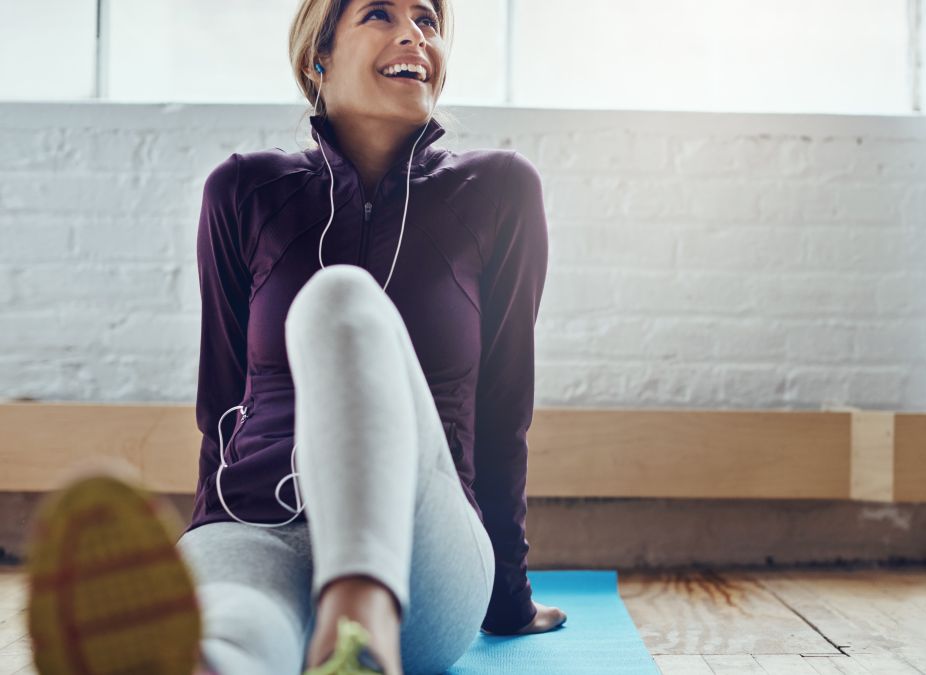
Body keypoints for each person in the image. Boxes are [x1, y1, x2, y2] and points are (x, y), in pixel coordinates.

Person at [24, 0, 564, 673]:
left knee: (339, 301)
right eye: (379, 14)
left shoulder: (498, 191)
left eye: (427, 20)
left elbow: (502, 408)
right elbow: (222, 406)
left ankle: (360, 613)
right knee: (235, 625)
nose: (413, 35)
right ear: (319, 54)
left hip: (422, 542)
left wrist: (506, 596)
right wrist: (214, 532)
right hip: (259, 521)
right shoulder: (244, 191)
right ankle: (210, 662)